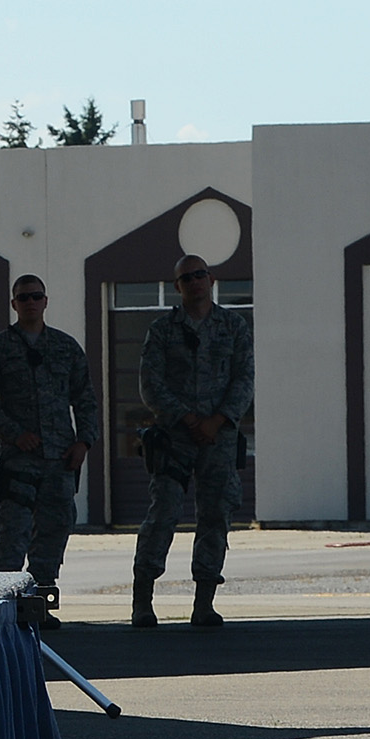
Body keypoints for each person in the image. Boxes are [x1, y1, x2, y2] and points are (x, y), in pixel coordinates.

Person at [133, 253, 253, 628]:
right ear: (178, 286)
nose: (195, 282)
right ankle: (143, 600)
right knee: (163, 514)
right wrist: (186, 418)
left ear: (211, 279)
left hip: (218, 438)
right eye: (187, 278)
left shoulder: (233, 326)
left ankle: (204, 602)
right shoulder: (163, 329)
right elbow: (150, 384)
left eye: (200, 275)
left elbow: (244, 379)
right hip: (175, 437)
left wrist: (217, 421)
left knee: (217, 514)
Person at [0, 274, 94, 628]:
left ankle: (40, 605)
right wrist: (14, 434)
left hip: (60, 459)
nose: (30, 302)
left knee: (54, 534)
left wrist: (84, 442)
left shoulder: (66, 347)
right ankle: (7, 611)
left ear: (45, 301)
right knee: (13, 536)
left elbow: (85, 398)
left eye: (36, 296)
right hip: (17, 461)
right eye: (23, 297)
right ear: (14, 304)